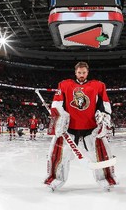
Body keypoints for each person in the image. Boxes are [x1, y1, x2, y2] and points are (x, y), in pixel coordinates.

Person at [44, 61, 118, 191]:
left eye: (84, 72)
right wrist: (59, 120)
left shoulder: (98, 86)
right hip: (69, 129)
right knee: (59, 155)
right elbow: (56, 104)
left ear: (87, 72)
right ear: (75, 72)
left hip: (91, 129)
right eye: (79, 72)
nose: (81, 75)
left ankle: (106, 179)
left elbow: (105, 105)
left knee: (100, 154)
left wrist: (104, 118)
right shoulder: (64, 85)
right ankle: (55, 179)